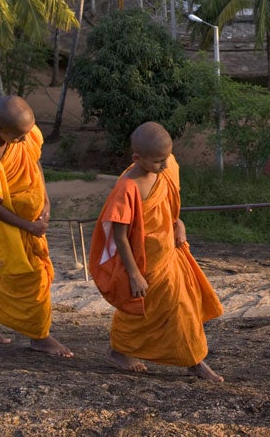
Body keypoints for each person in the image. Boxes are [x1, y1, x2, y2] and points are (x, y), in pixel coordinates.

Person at [89, 121, 223, 381]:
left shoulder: (167, 168)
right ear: (137, 158)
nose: (164, 166)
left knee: (183, 305)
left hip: (167, 255)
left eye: (167, 158)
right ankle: (119, 350)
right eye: (158, 161)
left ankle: (194, 360)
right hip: (143, 262)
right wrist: (134, 274)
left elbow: (170, 204)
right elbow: (119, 236)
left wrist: (177, 223)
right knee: (140, 310)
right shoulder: (127, 188)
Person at [0, 95, 73, 357]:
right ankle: (39, 336)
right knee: (34, 277)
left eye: (28, 132)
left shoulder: (23, 132)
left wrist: (45, 199)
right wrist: (28, 226)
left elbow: (34, 163)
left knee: (16, 277)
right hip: (12, 227)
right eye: (19, 137)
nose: (25, 140)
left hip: (31, 222)